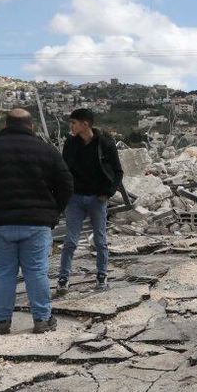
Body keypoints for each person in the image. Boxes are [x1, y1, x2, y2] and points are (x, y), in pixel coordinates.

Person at [0, 108, 73, 335]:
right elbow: (66, 184)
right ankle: (42, 320)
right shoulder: (46, 150)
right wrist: (52, 212)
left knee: (2, 273)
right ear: (31, 126)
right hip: (37, 223)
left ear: (6, 125)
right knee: (37, 272)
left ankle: (1, 322)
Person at [57, 107, 124, 294]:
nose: (71, 126)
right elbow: (63, 170)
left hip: (97, 198)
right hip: (75, 198)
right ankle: (63, 278)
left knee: (100, 240)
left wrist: (107, 193)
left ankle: (102, 275)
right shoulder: (70, 144)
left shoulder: (105, 144)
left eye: (73, 123)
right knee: (70, 241)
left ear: (84, 124)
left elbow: (118, 172)